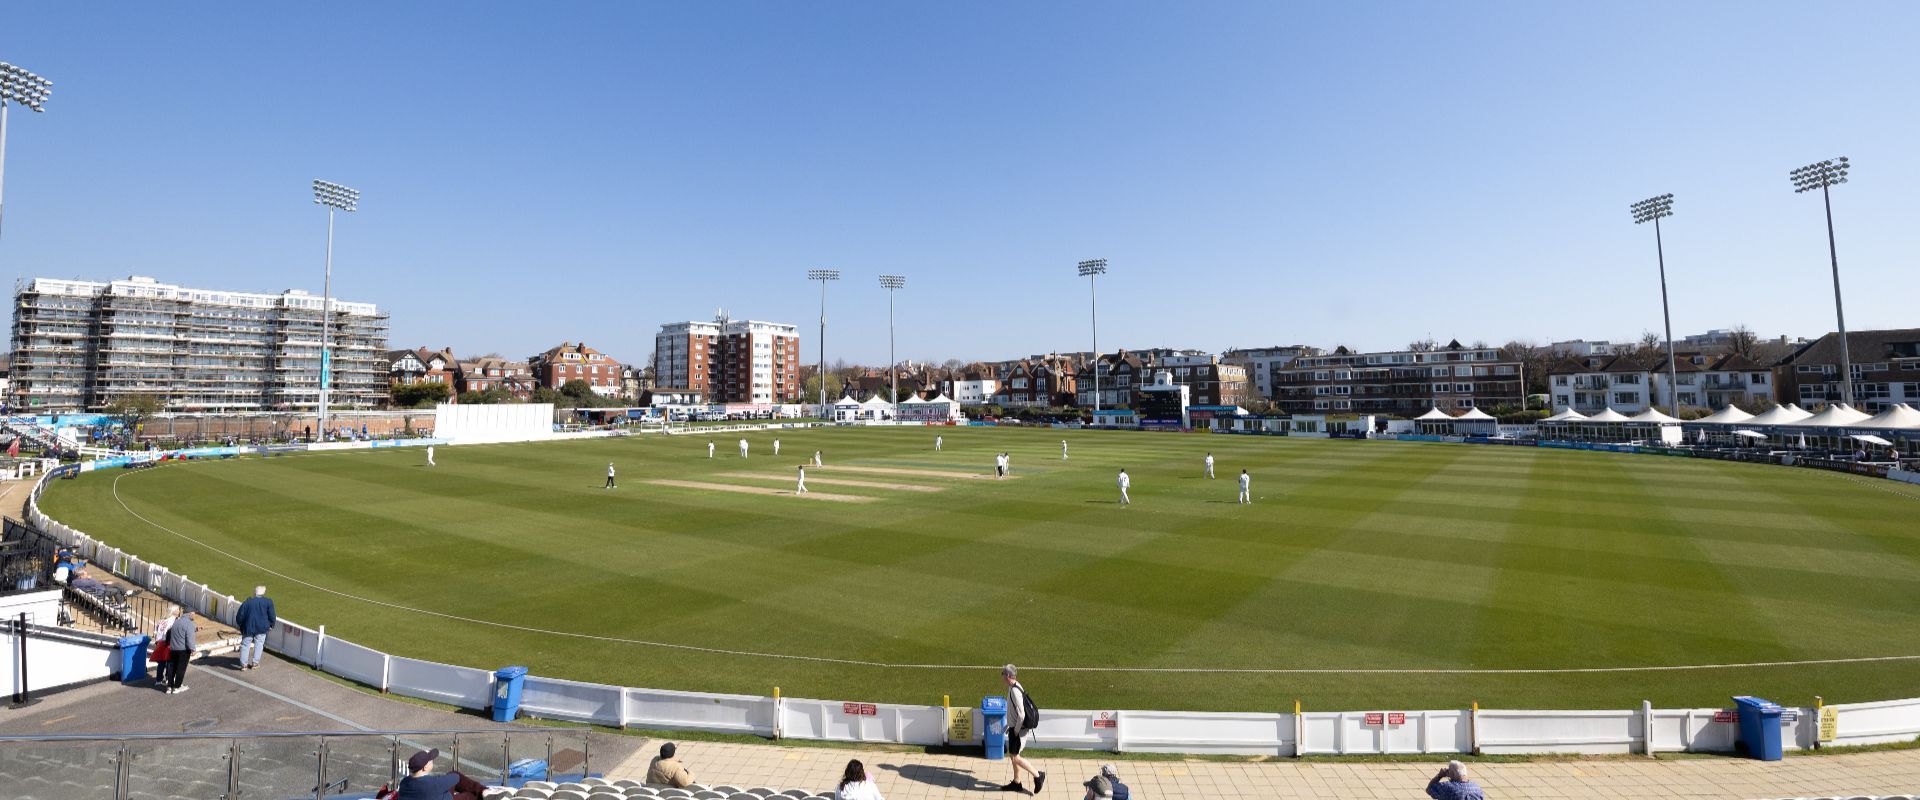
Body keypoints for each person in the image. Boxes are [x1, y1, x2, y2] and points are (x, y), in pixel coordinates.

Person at [1001, 664, 1045, 795]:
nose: (1002, 676)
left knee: (1015, 758)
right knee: (1014, 756)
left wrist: (1016, 730)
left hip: (1017, 730)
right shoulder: (1014, 686)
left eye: (1003, 674)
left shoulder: (1014, 691)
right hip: (1014, 727)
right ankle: (1016, 782)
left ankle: (1038, 776)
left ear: (1008, 676)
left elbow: (1021, 715)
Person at [394, 748, 487, 800]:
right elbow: (456, 777)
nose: (432, 761)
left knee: (451, 774)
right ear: (425, 767)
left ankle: (484, 791)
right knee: (469, 796)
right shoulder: (434, 783)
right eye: (431, 760)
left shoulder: (404, 783)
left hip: (432, 795)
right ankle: (485, 792)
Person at [235, 585, 276, 671]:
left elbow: (239, 616)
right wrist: (271, 625)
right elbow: (272, 616)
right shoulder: (268, 602)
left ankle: (244, 665)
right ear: (263, 593)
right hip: (261, 628)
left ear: (255, 593)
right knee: (259, 645)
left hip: (248, 627)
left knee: (245, 645)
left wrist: (240, 625)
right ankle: (255, 663)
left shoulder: (247, 602)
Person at [164, 605, 195, 694]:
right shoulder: (189, 624)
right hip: (183, 650)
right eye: (194, 614)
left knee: (172, 668)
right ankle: (177, 687)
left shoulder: (176, 622)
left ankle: (169, 687)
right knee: (181, 668)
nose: (194, 615)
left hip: (173, 649)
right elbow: (189, 638)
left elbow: (169, 633)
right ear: (190, 614)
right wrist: (192, 649)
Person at [150, 609, 176, 688]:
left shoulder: (160, 622)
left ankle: (158, 680)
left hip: (159, 643)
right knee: (169, 662)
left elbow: (155, 633)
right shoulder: (171, 621)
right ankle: (168, 678)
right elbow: (168, 633)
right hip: (167, 643)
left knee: (161, 663)